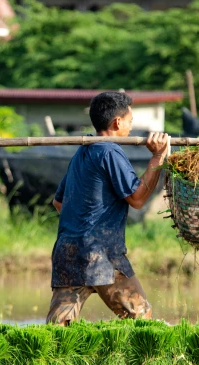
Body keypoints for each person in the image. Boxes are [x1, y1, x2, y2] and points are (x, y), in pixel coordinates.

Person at [46, 91, 170, 325]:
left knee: (58, 328)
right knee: (140, 317)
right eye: (130, 122)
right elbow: (137, 199)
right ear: (117, 122)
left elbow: (59, 202)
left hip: (68, 250)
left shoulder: (83, 150)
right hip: (100, 253)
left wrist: (82, 227)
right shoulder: (109, 150)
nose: (131, 129)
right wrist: (157, 158)